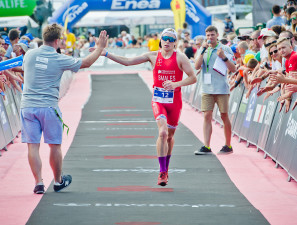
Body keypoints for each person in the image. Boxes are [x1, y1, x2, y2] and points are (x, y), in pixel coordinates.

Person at [99, 28, 196, 186]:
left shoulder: (180, 57)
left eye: (171, 39)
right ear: (160, 39)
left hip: (175, 102)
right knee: (163, 132)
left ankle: (166, 168)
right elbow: (128, 62)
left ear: (175, 42)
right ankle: (162, 172)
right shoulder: (152, 56)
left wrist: (176, 84)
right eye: (165, 38)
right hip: (158, 100)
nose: (167, 41)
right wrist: (106, 53)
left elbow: (193, 78)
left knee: (170, 137)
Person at [20, 23, 108, 194]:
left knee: (32, 146)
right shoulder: (59, 58)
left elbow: (25, 71)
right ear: (58, 41)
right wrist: (100, 48)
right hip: (48, 106)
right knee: (54, 145)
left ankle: (38, 183)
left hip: (28, 106)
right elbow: (86, 63)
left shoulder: (29, 54)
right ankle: (58, 181)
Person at [194, 25, 236, 155]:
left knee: (224, 116)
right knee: (207, 115)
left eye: (212, 35)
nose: (210, 37)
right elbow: (196, 66)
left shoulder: (225, 48)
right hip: (207, 88)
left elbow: (233, 69)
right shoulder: (203, 49)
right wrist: (202, 51)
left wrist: (223, 57)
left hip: (221, 88)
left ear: (217, 35)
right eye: (208, 35)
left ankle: (228, 145)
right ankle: (207, 146)